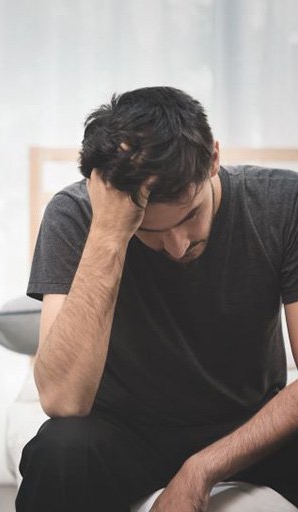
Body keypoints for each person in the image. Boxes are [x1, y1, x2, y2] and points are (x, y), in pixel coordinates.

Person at [15, 86, 298, 512]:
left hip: (247, 426)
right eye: (148, 231)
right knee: (59, 449)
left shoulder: (281, 203)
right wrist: (110, 232)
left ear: (214, 158)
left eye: (189, 216)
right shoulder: (75, 214)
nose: (178, 246)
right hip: (127, 433)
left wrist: (200, 470)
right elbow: (62, 401)